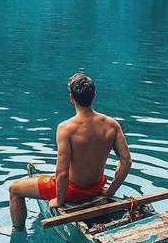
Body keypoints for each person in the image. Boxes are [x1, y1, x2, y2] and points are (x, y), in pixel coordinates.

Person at [8, 73, 132, 230]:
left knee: (14, 189)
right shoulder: (112, 125)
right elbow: (126, 161)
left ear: (71, 98)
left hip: (72, 192)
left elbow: (62, 173)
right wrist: (111, 190)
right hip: (98, 186)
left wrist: (59, 200)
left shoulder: (66, 128)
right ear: (94, 95)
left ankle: (17, 231)